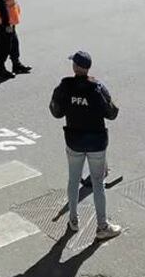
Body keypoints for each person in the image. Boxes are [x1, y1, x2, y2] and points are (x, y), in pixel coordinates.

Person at [49, 51, 123, 240]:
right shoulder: (97, 88)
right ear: (88, 67)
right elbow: (112, 113)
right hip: (96, 143)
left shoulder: (65, 86)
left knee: (73, 180)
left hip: (74, 141)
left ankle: (73, 220)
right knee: (98, 184)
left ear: (75, 67)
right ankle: (102, 226)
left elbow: (56, 112)